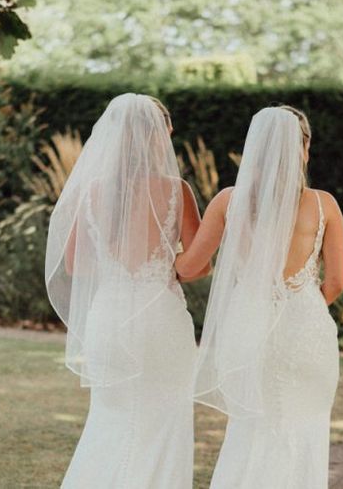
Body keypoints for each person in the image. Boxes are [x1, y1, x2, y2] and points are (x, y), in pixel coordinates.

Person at [175, 105, 343, 489]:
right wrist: (300, 308)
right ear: (303, 148)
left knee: (252, 429)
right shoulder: (325, 205)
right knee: (304, 431)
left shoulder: (227, 202)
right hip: (306, 331)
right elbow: (336, 283)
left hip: (249, 328)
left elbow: (189, 267)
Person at [46, 93, 208, 489]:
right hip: (161, 322)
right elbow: (199, 264)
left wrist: (118, 266)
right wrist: (163, 269)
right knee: (164, 424)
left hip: (110, 320)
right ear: (158, 136)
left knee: (110, 422)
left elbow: (74, 265)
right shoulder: (177, 191)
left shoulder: (93, 191)